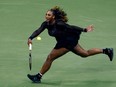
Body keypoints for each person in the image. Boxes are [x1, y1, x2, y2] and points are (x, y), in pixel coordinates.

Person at [27, 6, 113, 83]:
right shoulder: (46, 24)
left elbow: (71, 27)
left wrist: (84, 29)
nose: (46, 16)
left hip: (66, 42)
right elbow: (38, 30)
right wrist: (30, 38)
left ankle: (38, 77)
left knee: (50, 57)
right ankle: (106, 51)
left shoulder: (59, 23)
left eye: (49, 15)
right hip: (67, 41)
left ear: (53, 16)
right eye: (46, 14)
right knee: (85, 54)